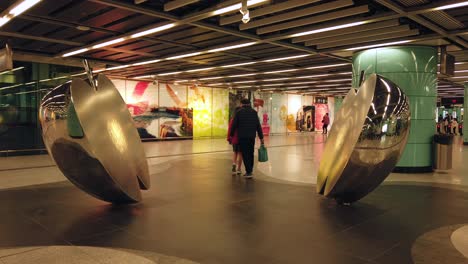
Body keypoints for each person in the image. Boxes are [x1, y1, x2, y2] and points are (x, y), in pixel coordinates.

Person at [230, 98, 264, 179]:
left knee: (245, 154)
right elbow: (258, 126)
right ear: (249, 104)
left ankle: (248, 172)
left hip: (242, 137)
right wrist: (261, 137)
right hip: (252, 137)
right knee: (250, 153)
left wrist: (231, 135)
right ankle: (250, 171)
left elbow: (234, 125)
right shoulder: (254, 113)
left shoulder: (239, 112)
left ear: (242, 104)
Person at [227, 106, 242, 175]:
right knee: (240, 154)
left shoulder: (232, 120)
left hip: (234, 140)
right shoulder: (242, 120)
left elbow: (229, 130)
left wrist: (229, 138)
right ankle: (239, 169)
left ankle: (234, 166)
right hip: (241, 139)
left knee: (235, 153)